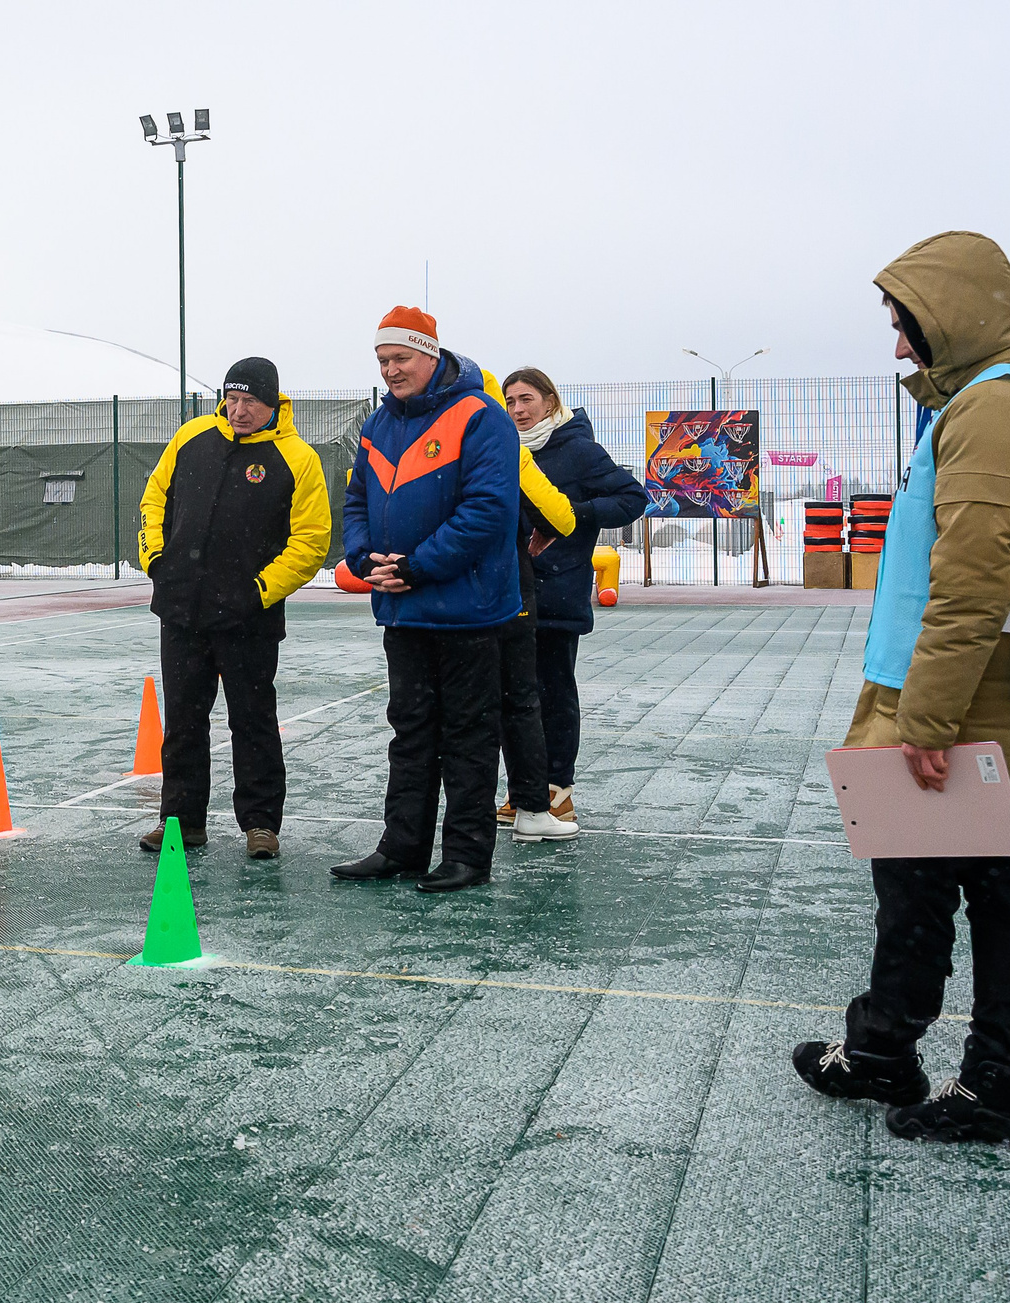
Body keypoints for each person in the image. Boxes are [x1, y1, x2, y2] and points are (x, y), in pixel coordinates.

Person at [793, 231, 1010, 1151]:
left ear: (950, 316)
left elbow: (971, 586)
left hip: (970, 707)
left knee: (992, 887)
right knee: (916, 881)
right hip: (965, 697)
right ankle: (886, 1046)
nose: (897, 346)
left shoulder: (996, 414)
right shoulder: (979, 406)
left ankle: (999, 1082)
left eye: (906, 324)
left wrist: (923, 718)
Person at [329, 307, 524, 893]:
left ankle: (467, 855)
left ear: (431, 354)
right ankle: (403, 847)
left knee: (468, 731)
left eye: (401, 358)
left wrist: (417, 567)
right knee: (410, 729)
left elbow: (489, 510)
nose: (391, 370)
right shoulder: (376, 427)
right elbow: (357, 503)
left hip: (467, 610)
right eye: (383, 361)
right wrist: (367, 561)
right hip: (403, 608)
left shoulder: (482, 416)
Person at [135, 356, 330, 859]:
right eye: (233, 399)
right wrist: (156, 558)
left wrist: (259, 591)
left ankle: (261, 825)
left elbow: (310, 541)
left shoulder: (298, 459)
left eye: (251, 402)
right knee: (182, 720)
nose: (239, 411)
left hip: (249, 618)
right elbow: (154, 498)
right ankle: (181, 821)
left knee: (253, 720)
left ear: (274, 402)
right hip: (181, 610)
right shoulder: (192, 437)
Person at [497, 369, 646, 836]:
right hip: (510, 591)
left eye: (526, 399)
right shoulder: (505, 449)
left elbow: (632, 498)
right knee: (515, 696)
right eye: (510, 401)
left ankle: (558, 792)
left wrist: (570, 517)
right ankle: (524, 792)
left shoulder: (577, 449)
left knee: (554, 695)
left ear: (549, 401)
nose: (518, 410)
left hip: (558, 592)